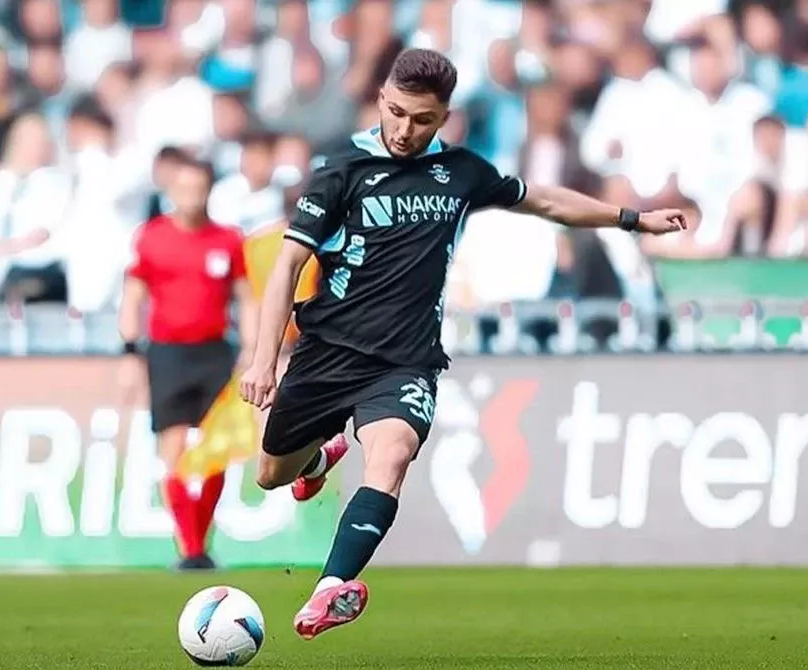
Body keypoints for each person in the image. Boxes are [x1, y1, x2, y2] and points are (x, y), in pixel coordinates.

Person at [239, 48, 687, 639]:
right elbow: (288, 264)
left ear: (444, 117)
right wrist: (263, 360)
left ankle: (330, 587)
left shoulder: (460, 172)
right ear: (382, 100)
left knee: (392, 457)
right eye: (397, 113)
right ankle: (320, 459)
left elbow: (546, 201)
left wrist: (631, 219)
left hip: (405, 360)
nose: (405, 129)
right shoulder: (342, 171)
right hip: (329, 354)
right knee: (271, 473)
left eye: (422, 119)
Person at [120, 156, 256, 571]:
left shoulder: (227, 240)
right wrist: (130, 351)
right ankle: (190, 547)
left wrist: (252, 348)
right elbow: (133, 296)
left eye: (199, 188)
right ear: (171, 191)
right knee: (174, 448)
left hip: (214, 352)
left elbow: (245, 296)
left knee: (216, 451)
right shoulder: (152, 238)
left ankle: (202, 539)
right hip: (169, 352)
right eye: (184, 188)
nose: (192, 196)